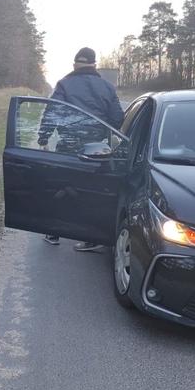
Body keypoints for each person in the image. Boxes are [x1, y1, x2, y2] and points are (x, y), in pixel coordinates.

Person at [38, 47, 124, 252]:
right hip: (96, 149)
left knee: (62, 185)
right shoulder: (107, 87)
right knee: (91, 189)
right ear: (94, 65)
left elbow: (53, 112)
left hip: (68, 145)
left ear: (75, 64)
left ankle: (53, 232)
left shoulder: (64, 85)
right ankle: (90, 237)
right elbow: (117, 119)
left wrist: (43, 137)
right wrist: (104, 133)